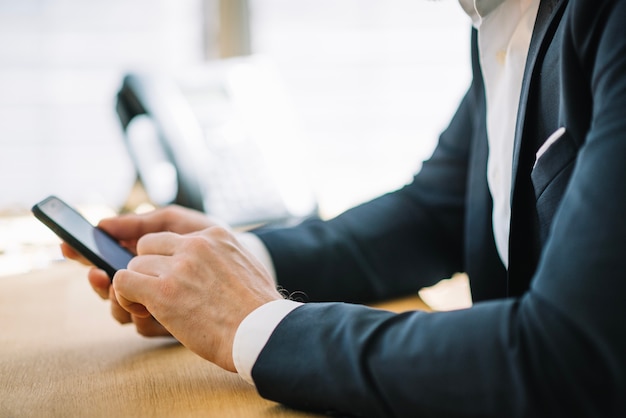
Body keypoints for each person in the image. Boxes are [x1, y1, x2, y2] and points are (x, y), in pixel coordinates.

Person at [62, 0, 626, 416]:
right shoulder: (500, 17)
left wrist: (258, 325)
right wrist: (231, 266)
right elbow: (435, 213)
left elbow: (569, 352)